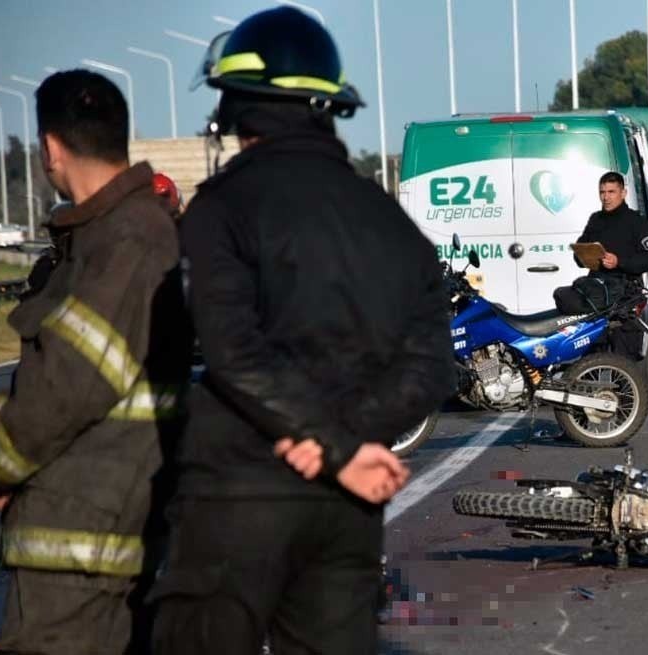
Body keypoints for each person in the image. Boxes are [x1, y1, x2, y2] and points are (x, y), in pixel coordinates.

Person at [148, 8, 454, 654]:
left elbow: (232, 353)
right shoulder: (388, 219)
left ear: (239, 105)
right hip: (344, 509)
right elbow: (431, 367)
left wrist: (325, 441)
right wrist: (345, 443)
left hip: (239, 493)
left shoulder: (220, 207)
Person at [0, 70, 190, 654]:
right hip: (98, 528)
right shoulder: (110, 237)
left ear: (50, 148)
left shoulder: (124, 240)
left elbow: (68, 383)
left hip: (81, 544)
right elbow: (51, 369)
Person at [553, 171, 648, 360]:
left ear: (623, 193)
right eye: (602, 192)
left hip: (624, 296)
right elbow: (580, 250)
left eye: (611, 192)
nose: (606, 197)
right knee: (592, 357)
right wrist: (584, 256)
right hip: (597, 295)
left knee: (625, 360)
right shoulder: (595, 219)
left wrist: (620, 262)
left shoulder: (636, 221)